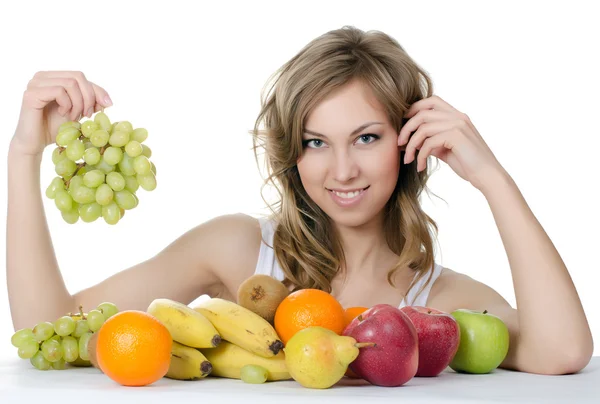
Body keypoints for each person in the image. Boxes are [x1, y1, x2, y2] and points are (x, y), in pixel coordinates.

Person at [6, 26, 593, 375]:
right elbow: (48, 330)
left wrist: (492, 177)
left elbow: (563, 353)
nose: (342, 170)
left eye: (367, 137)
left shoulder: (439, 305)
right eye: (316, 142)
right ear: (293, 153)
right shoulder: (237, 249)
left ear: (408, 141)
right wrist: (23, 156)